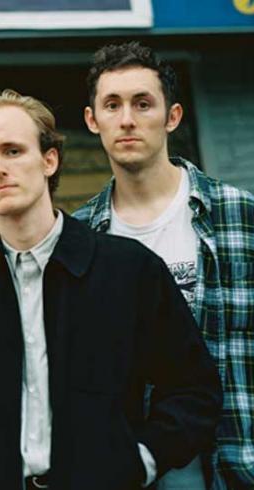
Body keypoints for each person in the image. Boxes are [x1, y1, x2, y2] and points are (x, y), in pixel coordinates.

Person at [0, 88, 222, 489]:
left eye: (12, 151)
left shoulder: (128, 270)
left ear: (49, 160)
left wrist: (140, 461)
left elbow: (193, 389)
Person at [74, 41, 254, 490]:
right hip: (127, 471)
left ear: (172, 116)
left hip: (236, 463)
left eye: (143, 103)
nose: (127, 119)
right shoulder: (79, 238)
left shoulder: (240, 215)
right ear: (92, 120)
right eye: (112, 105)